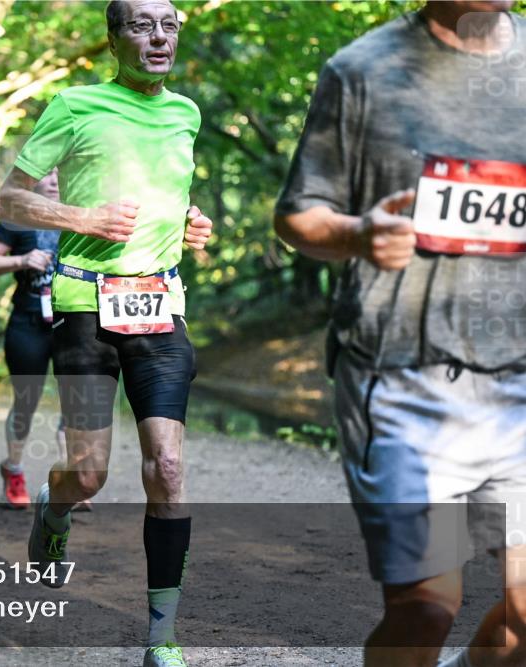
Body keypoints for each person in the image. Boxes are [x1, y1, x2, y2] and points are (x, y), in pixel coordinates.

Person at [274, 2, 525, 666]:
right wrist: (357, 233)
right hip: (408, 389)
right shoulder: (361, 70)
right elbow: (298, 214)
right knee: (426, 607)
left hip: (520, 383)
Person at [0, 2, 213, 665]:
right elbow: (10, 200)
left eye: (169, 24)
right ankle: (54, 514)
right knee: (86, 474)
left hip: (159, 305)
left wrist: (189, 227)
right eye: (142, 25)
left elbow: (167, 201)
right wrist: (81, 216)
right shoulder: (74, 105)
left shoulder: (186, 114)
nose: (158, 37)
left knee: (168, 468)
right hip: (85, 306)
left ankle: (162, 635)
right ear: (113, 38)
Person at [0, 170, 78, 510]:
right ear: (33, 179)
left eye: (60, 171)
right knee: (26, 401)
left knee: (75, 401)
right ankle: (14, 470)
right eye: (46, 171)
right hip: (28, 322)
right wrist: (22, 260)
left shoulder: (83, 216)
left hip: (72, 324)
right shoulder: (17, 219)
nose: (53, 178)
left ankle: (70, 479)